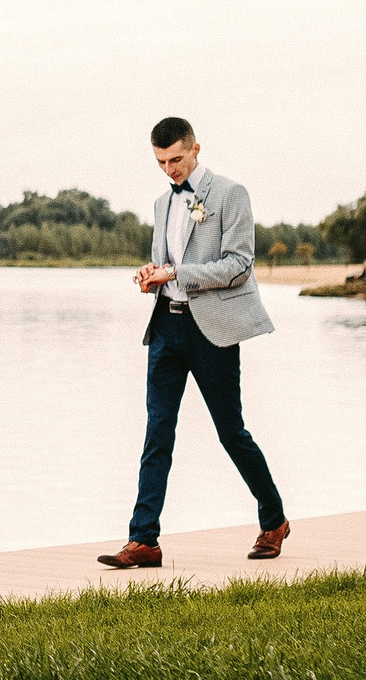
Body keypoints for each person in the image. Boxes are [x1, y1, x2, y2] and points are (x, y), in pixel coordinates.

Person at [98, 116, 291, 569]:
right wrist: (152, 277)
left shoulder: (230, 194)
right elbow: (164, 263)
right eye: (162, 162)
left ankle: (274, 520)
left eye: (177, 159)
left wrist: (177, 274)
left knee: (231, 432)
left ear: (196, 149)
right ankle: (143, 540)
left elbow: (240, 264)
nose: (170, 170)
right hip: (166, 327)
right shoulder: (161, 205)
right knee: (156, 433)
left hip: (213, 331)